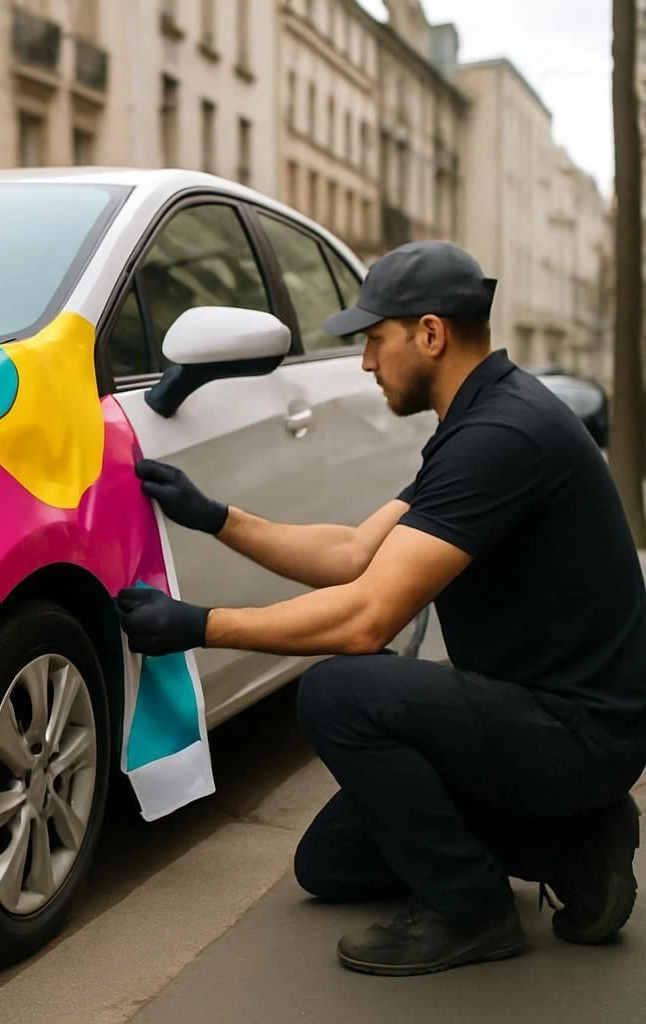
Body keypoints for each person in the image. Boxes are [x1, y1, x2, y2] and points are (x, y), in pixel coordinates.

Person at [118, 239, 646, 977]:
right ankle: (574, 841)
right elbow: (354, 552)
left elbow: (366, 619)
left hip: (578, 730)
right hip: (538, 716)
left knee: (339, 690)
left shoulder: (503, 435)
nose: (366, 362)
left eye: (374, 339)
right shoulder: (479, 423)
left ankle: (473, 912)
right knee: (329, 865)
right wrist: (214, 516)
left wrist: (198, 626)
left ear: (430, 334)